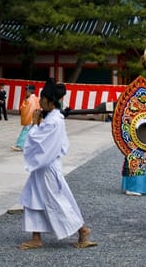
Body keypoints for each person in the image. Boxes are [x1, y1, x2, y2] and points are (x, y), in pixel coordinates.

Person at [18, 78, 97, 250]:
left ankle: (83, 230)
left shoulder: (54, 121)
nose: (40, 101)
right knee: (32, 199)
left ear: (50, 101)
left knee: (57, 202)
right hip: (42, 167)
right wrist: (38, 123)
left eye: (42, 99)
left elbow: (37, 140)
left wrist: (34, 123)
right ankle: (36, 237)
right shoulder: (54, 118)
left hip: (47, 168)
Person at [12, 84, 40, 151]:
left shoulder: (29, 100)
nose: (25, 92)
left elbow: (23, 109)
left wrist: (24, 101)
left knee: (25, 132)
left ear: (29, 91)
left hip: (29, 118)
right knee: (32, 132)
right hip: (35, 118)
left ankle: (19, 145)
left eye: (26, 91)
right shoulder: (36, 98)